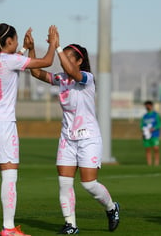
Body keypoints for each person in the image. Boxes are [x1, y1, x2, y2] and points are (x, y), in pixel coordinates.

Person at [0, 24, 58, 236]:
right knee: (9, 176)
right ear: (8, 41)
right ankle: (8, 228)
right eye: (16, 40)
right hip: (3, 124)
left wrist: (25, 49)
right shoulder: (10, 61)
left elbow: (12, 62)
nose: (19, 43)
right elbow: (47, 62)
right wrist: (53, 44)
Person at [29, 36, 120, 234]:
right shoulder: (61, 79)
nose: (66, 62)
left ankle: (111, 207)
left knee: (89, 183)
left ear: (79, 61)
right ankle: (71, 224)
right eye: (65, 58)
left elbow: (72, 71)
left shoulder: (86, 78)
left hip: (89, 138)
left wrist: (57, 46)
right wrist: (31, 48)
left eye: (70, 58)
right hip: (67, 138)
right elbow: (36, 72)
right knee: (64, 182)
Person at [140, 100, 161, 166]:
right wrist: (143, 131)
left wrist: (153, 128)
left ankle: (156, 163)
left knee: (156, 148)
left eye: (148, 105)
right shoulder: (144, 116)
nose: (147, 107)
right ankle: (149, 164)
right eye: (146, 105)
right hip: (146, 135)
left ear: (151, 106)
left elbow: (159, 124)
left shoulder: (156, 115)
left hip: (154, 134)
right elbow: (141, 125)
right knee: (148, 149)